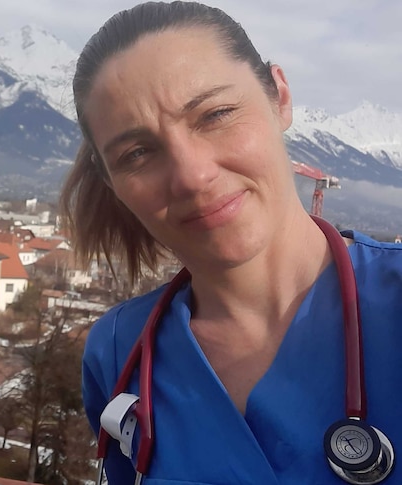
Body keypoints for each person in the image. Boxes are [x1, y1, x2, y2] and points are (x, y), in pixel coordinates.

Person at [59, 1, 402, 484]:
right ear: (112, 181)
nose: (193, 176)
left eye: (216, 114)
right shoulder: (118, 352)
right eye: (137, 153)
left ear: (280, 96)